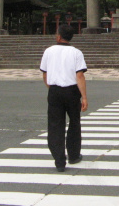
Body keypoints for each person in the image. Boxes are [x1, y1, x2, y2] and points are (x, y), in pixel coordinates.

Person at [39, 24, 88, 172]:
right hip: (72, 91)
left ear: (59, 36)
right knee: (74, 122)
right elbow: (79, 75)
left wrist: (51, 88)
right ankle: (73, 155)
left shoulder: (49, 51)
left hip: (54, 91)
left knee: (55, 125)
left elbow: (45, 74)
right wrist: (84, 97)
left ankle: (59, 160)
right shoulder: (76, 53)